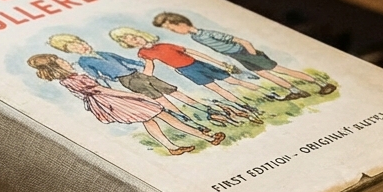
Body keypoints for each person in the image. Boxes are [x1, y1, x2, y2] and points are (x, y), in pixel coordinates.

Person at [26, 53, 224, 155]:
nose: (66, 62)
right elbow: (103, 90)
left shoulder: (67, 80)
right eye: (61, 61)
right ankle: (205, 137)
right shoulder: (74, 79)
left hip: (110, 102)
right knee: (162, 114)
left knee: (152, 120)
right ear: (56, 66)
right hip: (116, 101)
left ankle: (172, 146)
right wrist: (139, 97)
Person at [47, 33, 239, 128]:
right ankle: (184, 117)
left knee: (173, 91)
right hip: (127, 81)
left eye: (81, 43)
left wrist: (142, 64)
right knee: (160, 99)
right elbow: (97, 77)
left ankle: (205, 109)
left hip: (138, 74)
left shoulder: (103, 52)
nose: (81, 47)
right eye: (76, 47)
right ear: (70, 51)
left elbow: (126, 60)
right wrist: (106, 81)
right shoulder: (84, 61)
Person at [153, 12, 336, 99]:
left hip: (245, 53)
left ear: (181, 23)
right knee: (266, 75)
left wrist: (252, 54)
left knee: (281, 70)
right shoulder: (195, 36)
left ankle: (321, 84)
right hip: (240, 57)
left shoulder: (205, 33)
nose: (174, 31)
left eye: (172, 27)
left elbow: (241, 41)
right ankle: (295, 91)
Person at [109, 27, 264, 121]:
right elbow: (149, 67)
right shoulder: (143, 52)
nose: (135, 41)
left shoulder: (165, 45)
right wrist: (142, 80)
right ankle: (246, 107)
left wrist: (218, 63)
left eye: (135, 37)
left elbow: (192, 52)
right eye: (130, 41)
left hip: (198, 63)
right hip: (188, 70)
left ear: (141, 34)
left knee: (233, 81)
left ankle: (264, 94)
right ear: (128, 44)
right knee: (217, 89)